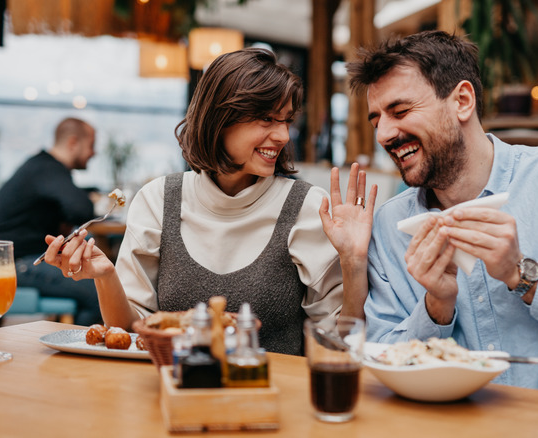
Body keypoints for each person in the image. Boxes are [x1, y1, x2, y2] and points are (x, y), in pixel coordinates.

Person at [340, 30, 538, 404]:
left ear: (462, 101)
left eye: (400, 112)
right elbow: (380, 361)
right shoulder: (387, 227)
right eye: (375, 119)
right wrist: (436, 308)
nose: (384, 133)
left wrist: (525, 276)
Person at [43, 48, 374, 356]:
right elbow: (131, 333)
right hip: (172, 393)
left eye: (286, 120)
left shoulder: (306, 206)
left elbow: (338, 340)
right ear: (220, 119)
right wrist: (106, 277)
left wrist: (354, 263)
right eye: (267, 120)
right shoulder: (159, 200)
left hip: (273, 399)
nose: (284, 136)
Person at [0, 117, 102, 326]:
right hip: (17, 264)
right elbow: (81, 209)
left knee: (98, 282)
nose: (94, 153)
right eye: (91, 145)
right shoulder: (48, 168)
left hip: (19, 259)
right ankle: (80, 353)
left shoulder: (41, 167)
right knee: (99, 292)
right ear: (72, 143)